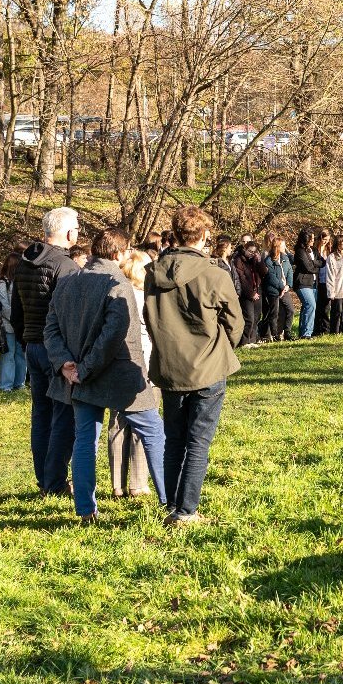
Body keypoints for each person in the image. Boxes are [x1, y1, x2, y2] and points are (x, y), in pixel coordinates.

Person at [44, 229, 167, 525]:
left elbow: (50, 330)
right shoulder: (117, 282)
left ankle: (86, 510)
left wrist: (66, 365)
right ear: (119, 254)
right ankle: (171, 500)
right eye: (126, 253)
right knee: (154, 434)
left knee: (85, 441)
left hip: (80, 376)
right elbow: (114, 335)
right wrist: (76, 368)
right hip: (119, 376)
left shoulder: (67, 282)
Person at [144, 205, 243, 527]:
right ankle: (185, 511)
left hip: (170, 365)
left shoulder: (152, 273)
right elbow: (236, 323)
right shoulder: (214, 273)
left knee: (175, 438)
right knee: (197, 441)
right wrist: (222, 346)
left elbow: (149, 317)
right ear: (202, 236)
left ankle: (173, 502)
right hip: (208, 367)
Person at [14, 207, 82, 497]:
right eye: (77, 228)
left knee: (41, 414)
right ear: (68, 233)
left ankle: (44, 478)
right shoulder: (65, 267)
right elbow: (69, 315)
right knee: (62, 416)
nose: (78, 233)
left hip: (32, 344)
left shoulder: (24, 262)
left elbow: (17, 309)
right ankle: (54, 482)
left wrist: (24, 339)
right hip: (56, 350)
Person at [111, 248, 161, 499]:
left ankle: (117, 484)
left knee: (118, 425)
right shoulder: (146, 299)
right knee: (145, 424)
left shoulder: (114, 294)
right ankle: (138, 483)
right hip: (144, 366)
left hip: (116, 366)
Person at [0, 252, 27, 392]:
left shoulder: (21, 282)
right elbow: (4, 307)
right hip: (8, 326)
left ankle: (19, 383)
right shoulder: (2, 284)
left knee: (21, 355)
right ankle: (5, 385)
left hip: (21, 326)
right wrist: (16, 320)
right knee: (8, 355)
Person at [231, 241, 267, 347]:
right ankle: (244, 341)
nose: (251, 254)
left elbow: (264, 272)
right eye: (250, 251)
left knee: (256, 316)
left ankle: (252, 339)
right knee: (249, 318)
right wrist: (251, 293)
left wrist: (260, 261)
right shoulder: (239, 260)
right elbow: (242, 279)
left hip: (257, 290)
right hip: (247, 293)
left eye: (253, 252)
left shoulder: (254, 260)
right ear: (245, 249)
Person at [289, 229, 322, 340]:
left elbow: (322, 262)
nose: (313, 241)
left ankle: (303, 332)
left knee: (306, 308)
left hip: (313, 282)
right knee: (310, 305)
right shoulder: (300, 251)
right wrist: (315, 266)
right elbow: (307, 267)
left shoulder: (314, 250)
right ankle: (307, 333)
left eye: (313, 238)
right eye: (311, 239)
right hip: (302, 282)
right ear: (305, 239)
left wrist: (313, 263)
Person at [260, 236, 293, 342]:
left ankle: (287, 332)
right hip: (274, 290)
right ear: (277, 247)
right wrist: (281, 287)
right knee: (274, 312)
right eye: (283, 246)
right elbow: (271, 276)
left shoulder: (285, 257)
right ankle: (274, 335)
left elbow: (290, 272)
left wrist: (288, 285)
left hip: (285, 289)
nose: (285, 248)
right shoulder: (268, 260)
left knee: (290, 310)